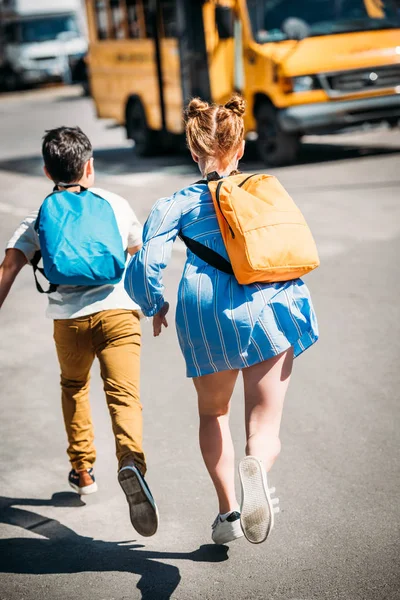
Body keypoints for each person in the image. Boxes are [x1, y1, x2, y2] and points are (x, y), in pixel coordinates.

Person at [124, 96, 318, 545]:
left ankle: (228, 510)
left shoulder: (174, 203)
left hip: (205, 311)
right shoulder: (262, 190)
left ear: (193, 152)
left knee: (213, 412)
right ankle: (257, 466)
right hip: (270, 305)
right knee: (263, 424)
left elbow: (147, 262)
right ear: (240, 149)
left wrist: (154, 304)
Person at [0, 127, 158, 537]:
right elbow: (141, 258)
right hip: (119, 314)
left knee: (74, 387)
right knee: (124, 395)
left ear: (46, 170)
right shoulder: (116, 204)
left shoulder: (37, 217)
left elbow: (8, 271)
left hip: (69, 321)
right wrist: (155, 304)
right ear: (90, 165)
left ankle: (83, 470)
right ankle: (130, 462)